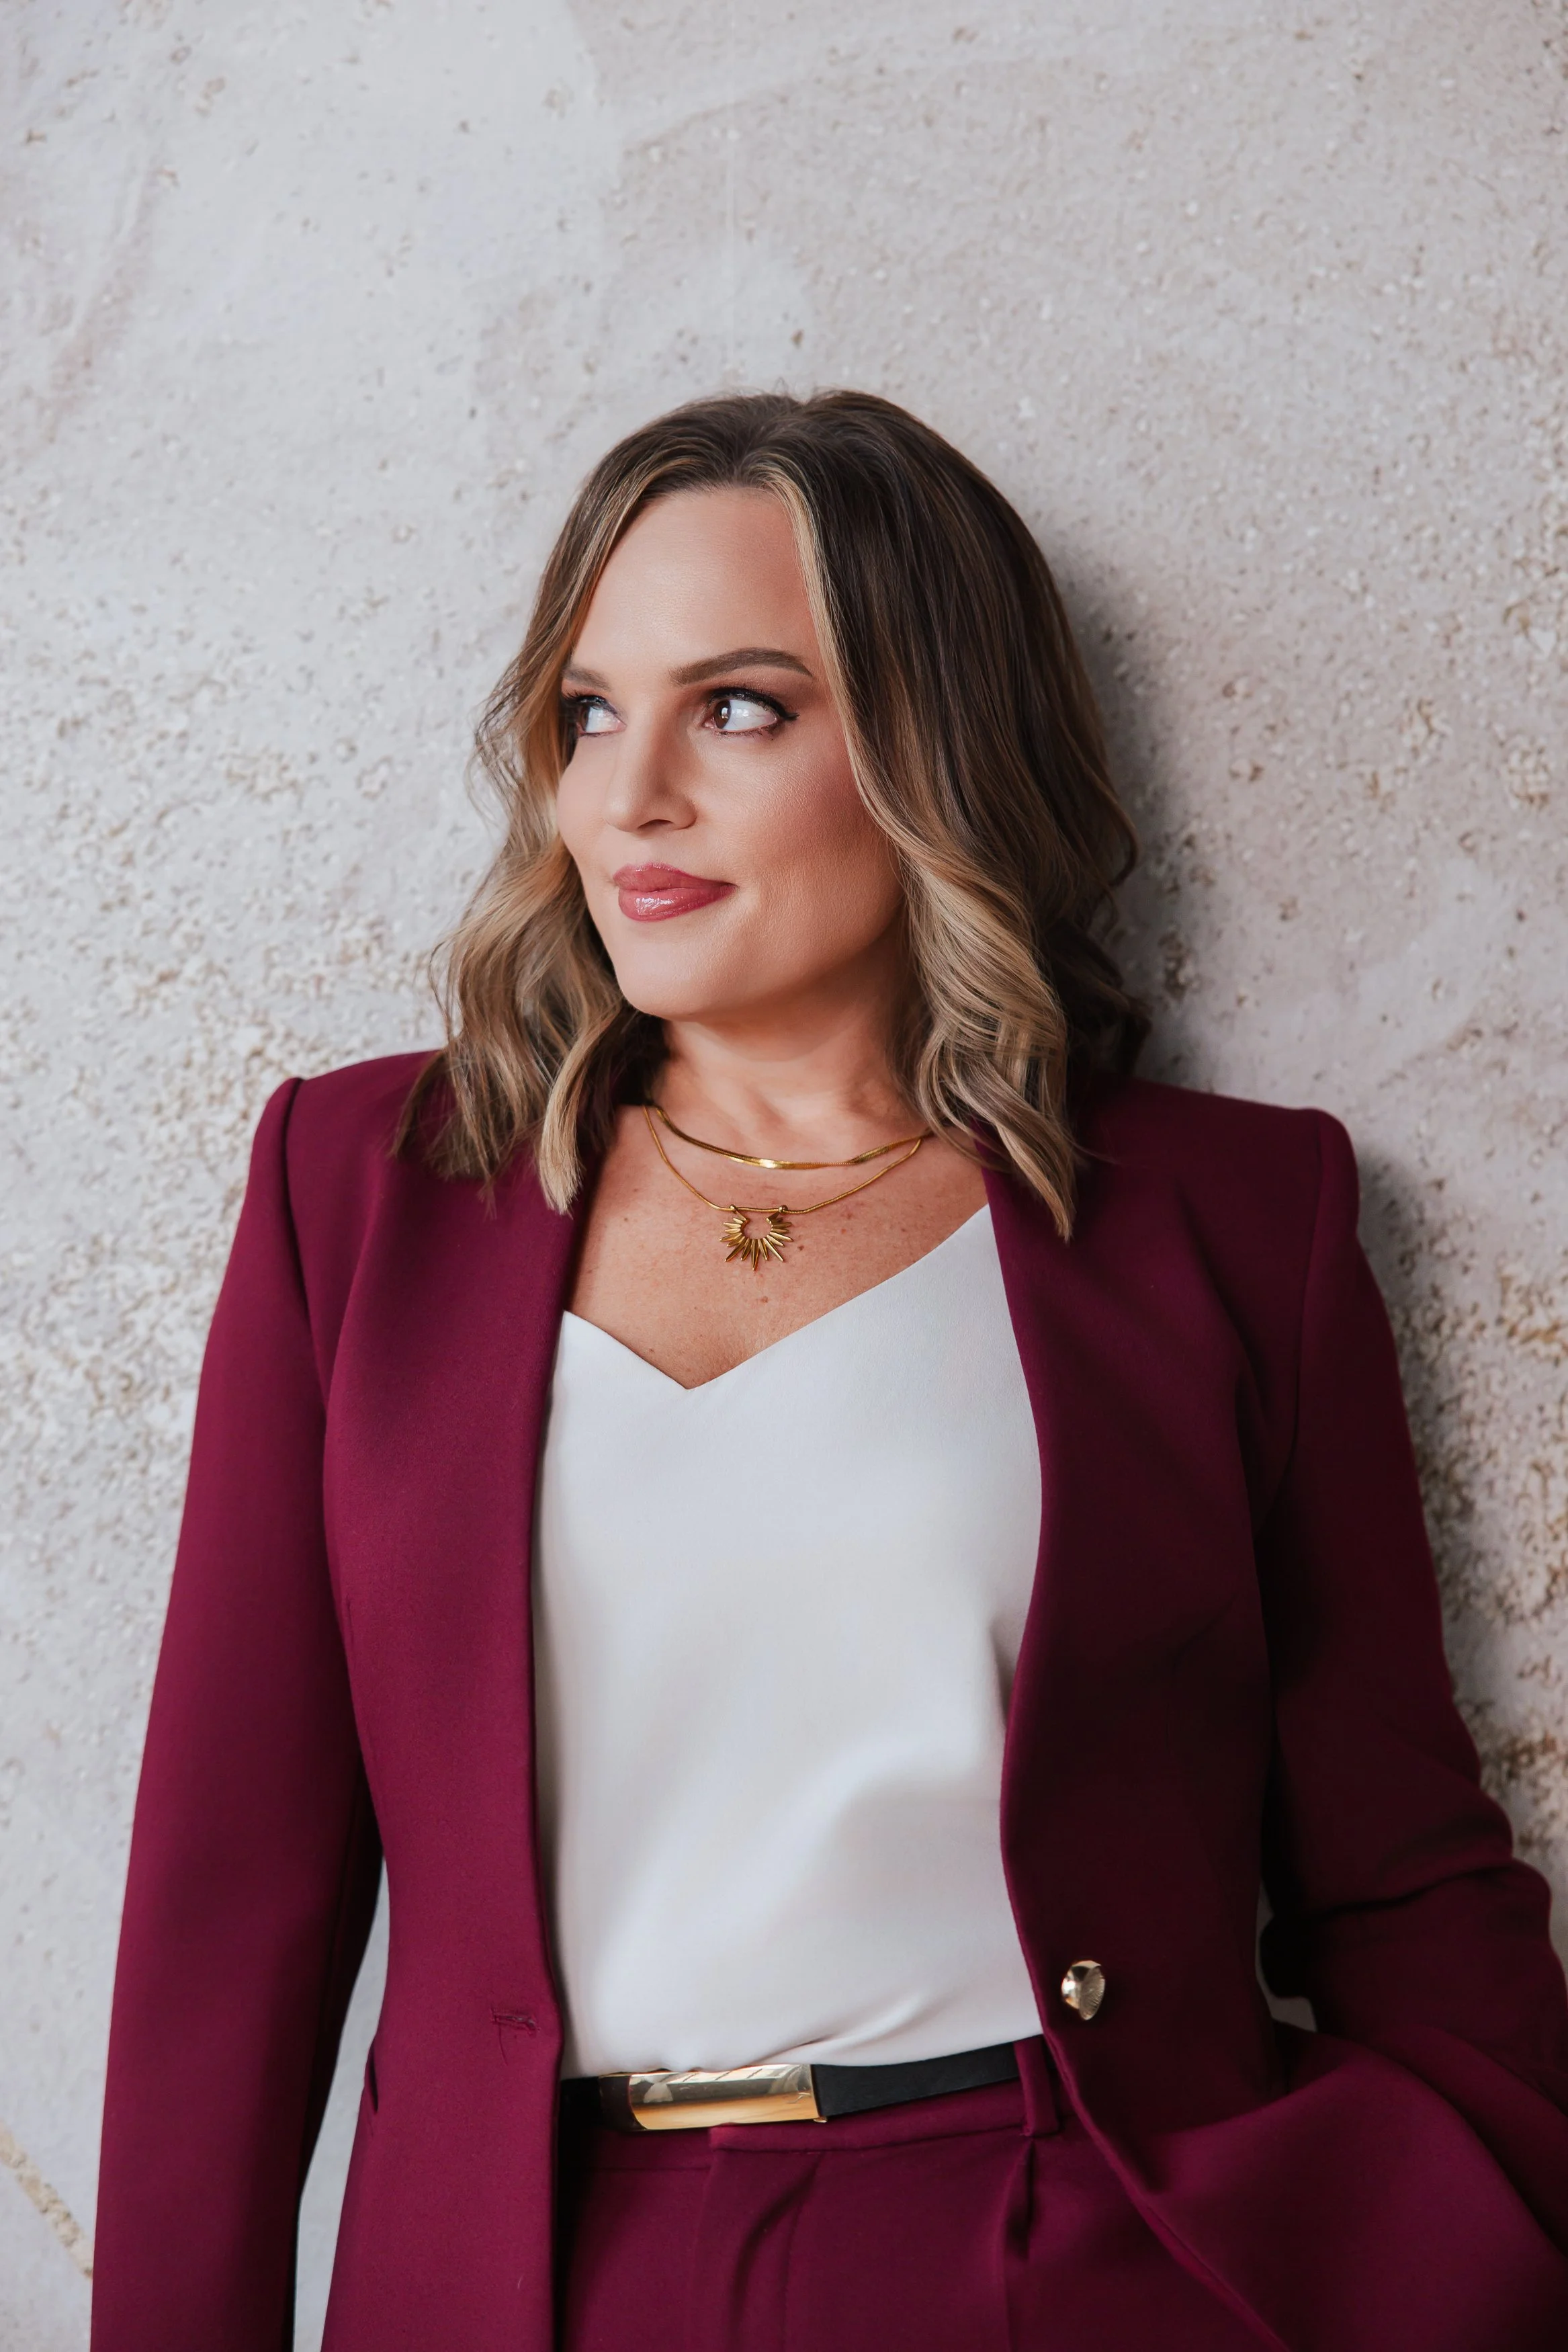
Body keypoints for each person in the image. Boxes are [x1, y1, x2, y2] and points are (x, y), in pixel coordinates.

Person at [92, 392, 1568, 2352]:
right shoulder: (358, 1199)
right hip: (522, 2274)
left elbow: (1396, 1873)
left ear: (932, 745)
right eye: (589, 711)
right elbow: (228, 1924)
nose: (627, 801)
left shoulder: (1231, 1221)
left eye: (740, 707)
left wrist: (1499, 2237)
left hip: (1075, 2256)